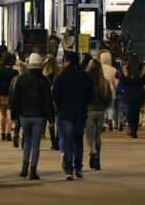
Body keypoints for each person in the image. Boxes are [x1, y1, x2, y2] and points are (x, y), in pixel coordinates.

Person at [11, 53, 53, 179]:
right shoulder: (44, 81)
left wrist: (14, 115)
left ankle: (24, 168)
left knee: (27, 141)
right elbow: (48, 101)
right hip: (39, 116)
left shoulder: (21, 79)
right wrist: (51, 118)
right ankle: (33, 170)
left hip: (24, 115)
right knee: (36, 144)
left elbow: (15, 99)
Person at [53, 51, 93, 180]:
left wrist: (59, 106)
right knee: (78, 140)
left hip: (65, 113)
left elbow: (55, 94)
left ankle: (69, 170)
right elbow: (90, 94)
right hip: (80, 112)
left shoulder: (62, 76)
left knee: (68, 141)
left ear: (67, 61)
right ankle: (79, 168)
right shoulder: (85, 76)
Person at [85, 58, 113, 171]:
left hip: (89, 110)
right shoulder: (104, 81)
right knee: (97, 136)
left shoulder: (86, 81)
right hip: (101, 110)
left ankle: (92, 152)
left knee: (89, 136)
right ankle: (98, 158)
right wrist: (105, 107)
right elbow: (109, 97)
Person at [121, 54, 145, 139]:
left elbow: (124, 82)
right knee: (136, 113)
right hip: (139, 93)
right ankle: (134, 130)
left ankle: (131, 127)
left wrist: (125, 73)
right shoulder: (141, 70)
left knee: (130, 112)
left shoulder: (126, 69)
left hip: (129, 94)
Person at [0, 52, 18, 142]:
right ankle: (9, 134)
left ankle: (3, 133)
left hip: (1, 95)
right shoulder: (15, 72)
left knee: (3, 115)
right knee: (10, 115)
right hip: (12, 96)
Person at [10, 60, 28, 149]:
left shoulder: (14, 79)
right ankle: (24, 140)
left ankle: (16, 134)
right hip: (25, 104)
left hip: (16, 104)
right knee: (25, 124)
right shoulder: (27, 80)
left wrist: (11, 105)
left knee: (18, 121)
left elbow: (11, 93)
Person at [98, 50, 118, 131]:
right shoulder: (114, 70)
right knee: (111, 107)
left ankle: (103, 123)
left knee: (102, 108)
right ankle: (110, 119)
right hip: (111, 90)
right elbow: (117, 81)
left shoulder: (98, 69)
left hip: (101, 90)